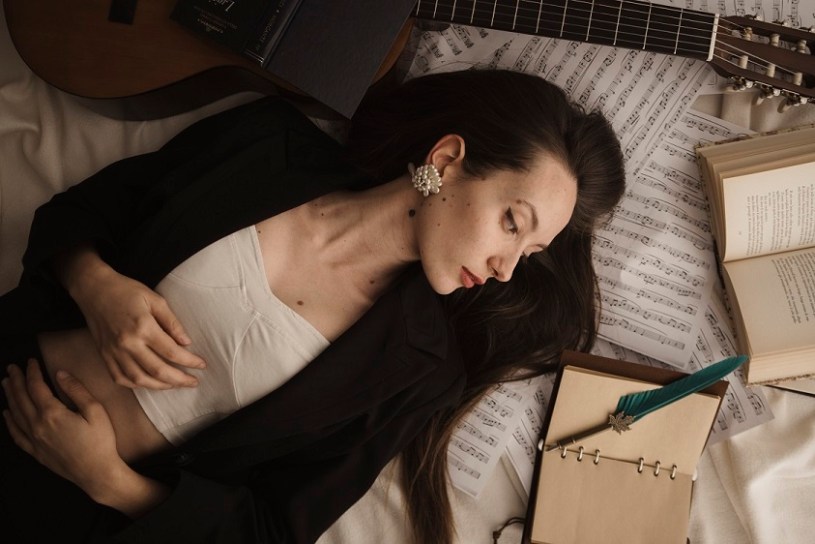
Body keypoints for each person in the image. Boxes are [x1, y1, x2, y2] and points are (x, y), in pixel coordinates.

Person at [0, 69, 625, 544]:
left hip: (58, 511)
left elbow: (274, 529)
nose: (505, 268)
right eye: (512, 223)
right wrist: (98, 288)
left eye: (529, 253)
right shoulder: (269, 142)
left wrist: (108, 481)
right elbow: (83, 211)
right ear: (447, 160)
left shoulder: (420, 371)